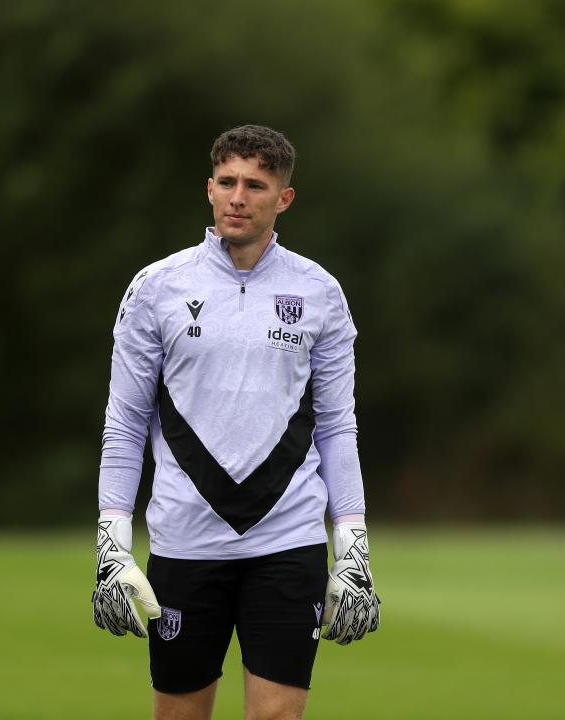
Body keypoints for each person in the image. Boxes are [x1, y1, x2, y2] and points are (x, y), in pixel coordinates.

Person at [92, 124, 380, 720]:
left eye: (255, 185)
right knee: (180, 715)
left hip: (288, 540)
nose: (238, 197)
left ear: (284, 198)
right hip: (184, 539)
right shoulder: (157, 289)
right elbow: (123, 423)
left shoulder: (319, 292)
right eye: (226, 182)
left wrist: (352, 545)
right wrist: (111, 544)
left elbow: (336, 426)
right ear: (209, 189)